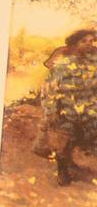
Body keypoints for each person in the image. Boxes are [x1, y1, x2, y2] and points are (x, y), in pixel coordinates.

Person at [37, 28, 97, 184]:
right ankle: (63, 170)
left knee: (87, 138)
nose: (89, 44)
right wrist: (51, 111)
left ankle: (72, 162)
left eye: (91, 41)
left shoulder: (94, 63)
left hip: (90, 110)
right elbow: (49, 89)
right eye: (84, 41)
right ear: (75, 44)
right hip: (65, 110)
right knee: (62, 140)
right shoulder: (63, 65)